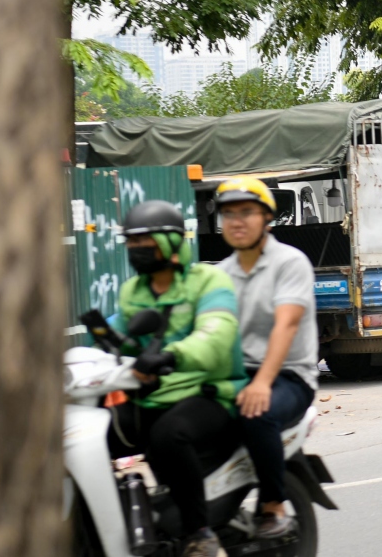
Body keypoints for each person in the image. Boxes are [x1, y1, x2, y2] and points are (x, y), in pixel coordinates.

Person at [106, 200, 247, 557]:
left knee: (168, 435)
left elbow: (216, 335)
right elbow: (115, 331)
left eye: (145, 243)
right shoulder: (133, 291)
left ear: (170, 243)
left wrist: (172, 355)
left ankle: (200, 532)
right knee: (96, 433)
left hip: (210, 392)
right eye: (131, 244)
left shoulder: (209, 281)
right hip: (153, 394)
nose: (136, 251)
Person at [213, 177, 318, 538]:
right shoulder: (219, 274)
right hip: (236, 375)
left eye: (246, 212)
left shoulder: (290, 263)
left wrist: (261, 383)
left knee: (256, 412)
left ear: (267, 219)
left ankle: (273, 503)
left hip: (289, 376)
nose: (236, 221)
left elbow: (285, 326)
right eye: (228, 214)